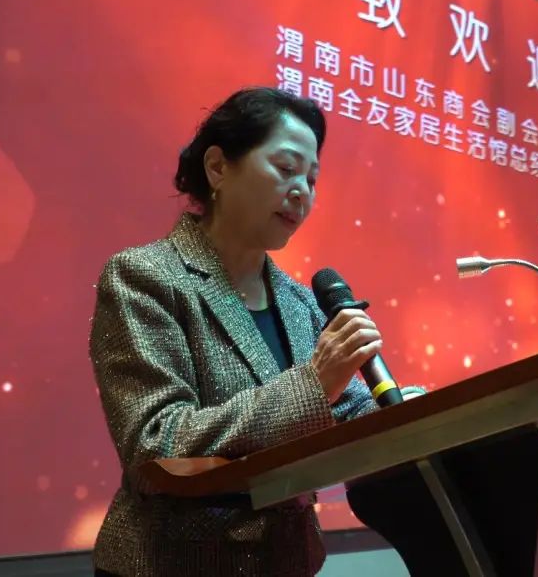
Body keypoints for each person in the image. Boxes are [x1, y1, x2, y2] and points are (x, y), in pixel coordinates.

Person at [88, 87, 383, 576]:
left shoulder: (300, 301)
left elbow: (348, 410)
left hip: (286, 563)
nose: (302, 191)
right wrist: (312, 384)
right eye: (286, 168)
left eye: (311, 179)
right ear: (217, 168)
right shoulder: (145, 277)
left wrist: (416, 411)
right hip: (176, 564)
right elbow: (156, 443)